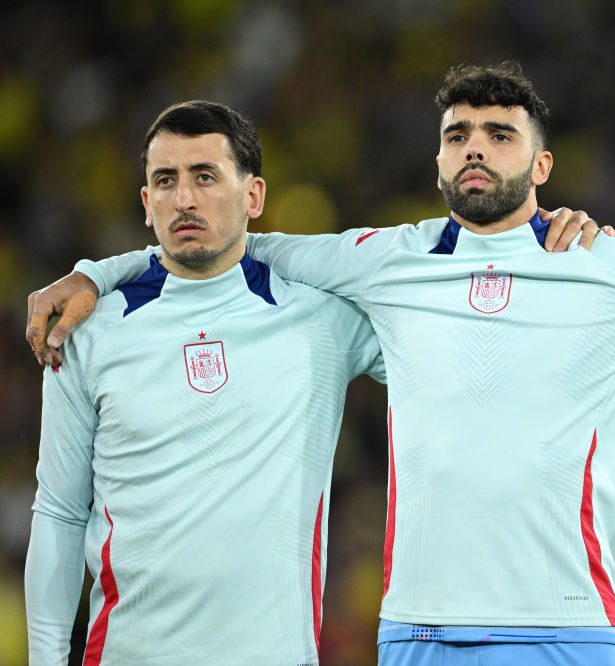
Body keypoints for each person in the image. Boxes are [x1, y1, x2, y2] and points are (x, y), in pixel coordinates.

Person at [25, 64, 615, 666]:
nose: (475, 149)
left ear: (542, 166)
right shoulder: (383, 260)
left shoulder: (614, 259)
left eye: (500, 135)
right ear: (439, 162)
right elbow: (230, 243)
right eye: (458, 135)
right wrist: (92, 271)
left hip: (568, 628)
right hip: (415, 631)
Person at [22, 101, 390, 663]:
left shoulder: (322, 321)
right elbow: (59, 512)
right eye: (165, 181)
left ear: (254, 197)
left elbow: (445, 342)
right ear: (147, 203)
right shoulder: (88, 332)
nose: (184, 199)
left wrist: (550, 245)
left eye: (205, 177)